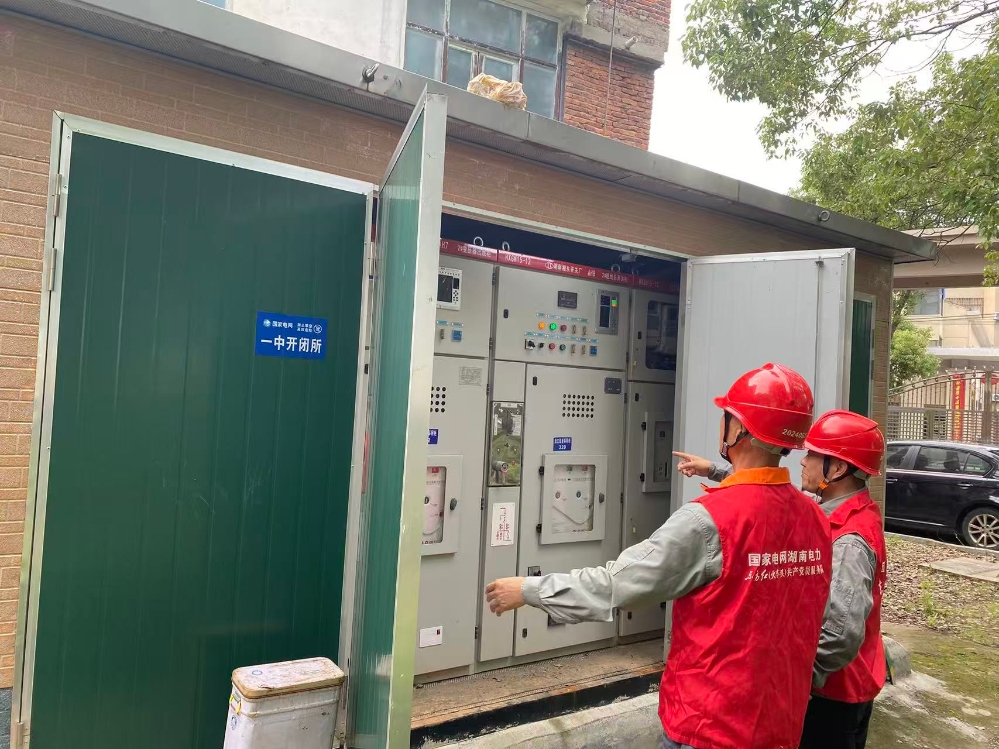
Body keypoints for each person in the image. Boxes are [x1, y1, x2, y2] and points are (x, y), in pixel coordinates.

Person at [485, 363, 833, 749]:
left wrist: (529, 590)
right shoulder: (815, 518)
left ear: (738, 429)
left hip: (708, 728)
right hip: (779, 726)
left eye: (727, 417)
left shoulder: (709, 521)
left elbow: (616, 585)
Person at [676, 410, 888, 749]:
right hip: (843, 686)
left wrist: (796, 680)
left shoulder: (849, 541)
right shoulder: (849, 511)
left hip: (832, 697)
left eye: (813, 455)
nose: (803, 461)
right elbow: (780, 495)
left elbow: (840, 635)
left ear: (837, 468)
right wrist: (714, 470)